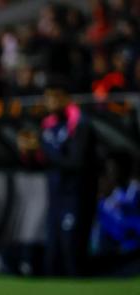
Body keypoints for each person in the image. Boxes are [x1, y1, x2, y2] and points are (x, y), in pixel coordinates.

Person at [38, 81, 98, 276]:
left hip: (75, 196)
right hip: (55, 196)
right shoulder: (48, 124)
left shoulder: (79, 122)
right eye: (47, 97)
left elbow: (76, 162)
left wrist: (45, 150)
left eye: (54, 96)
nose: (50, 101)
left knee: (71, 252)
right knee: (52, 254)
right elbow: (40, 164)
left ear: (66, 98)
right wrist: (29, 154)